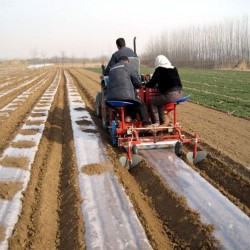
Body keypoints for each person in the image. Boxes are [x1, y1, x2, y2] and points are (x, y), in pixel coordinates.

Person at [106, 56, 151, 127]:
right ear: (127, 61)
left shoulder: (112, 69)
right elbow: (138, 84)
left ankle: (127, 117)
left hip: (110, 100)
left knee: (130, 102)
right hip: (126, 97)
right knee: (140, 104)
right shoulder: (130, 67)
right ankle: (146, 124)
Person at [145, 55, 182, 126]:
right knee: (160, 101)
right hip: (179, 93)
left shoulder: (159, 69)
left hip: (170, 94)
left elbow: (152, 84)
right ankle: (163, 120)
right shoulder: (174, 68)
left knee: (153, 101)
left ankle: (156, 123)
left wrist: (145, 84)